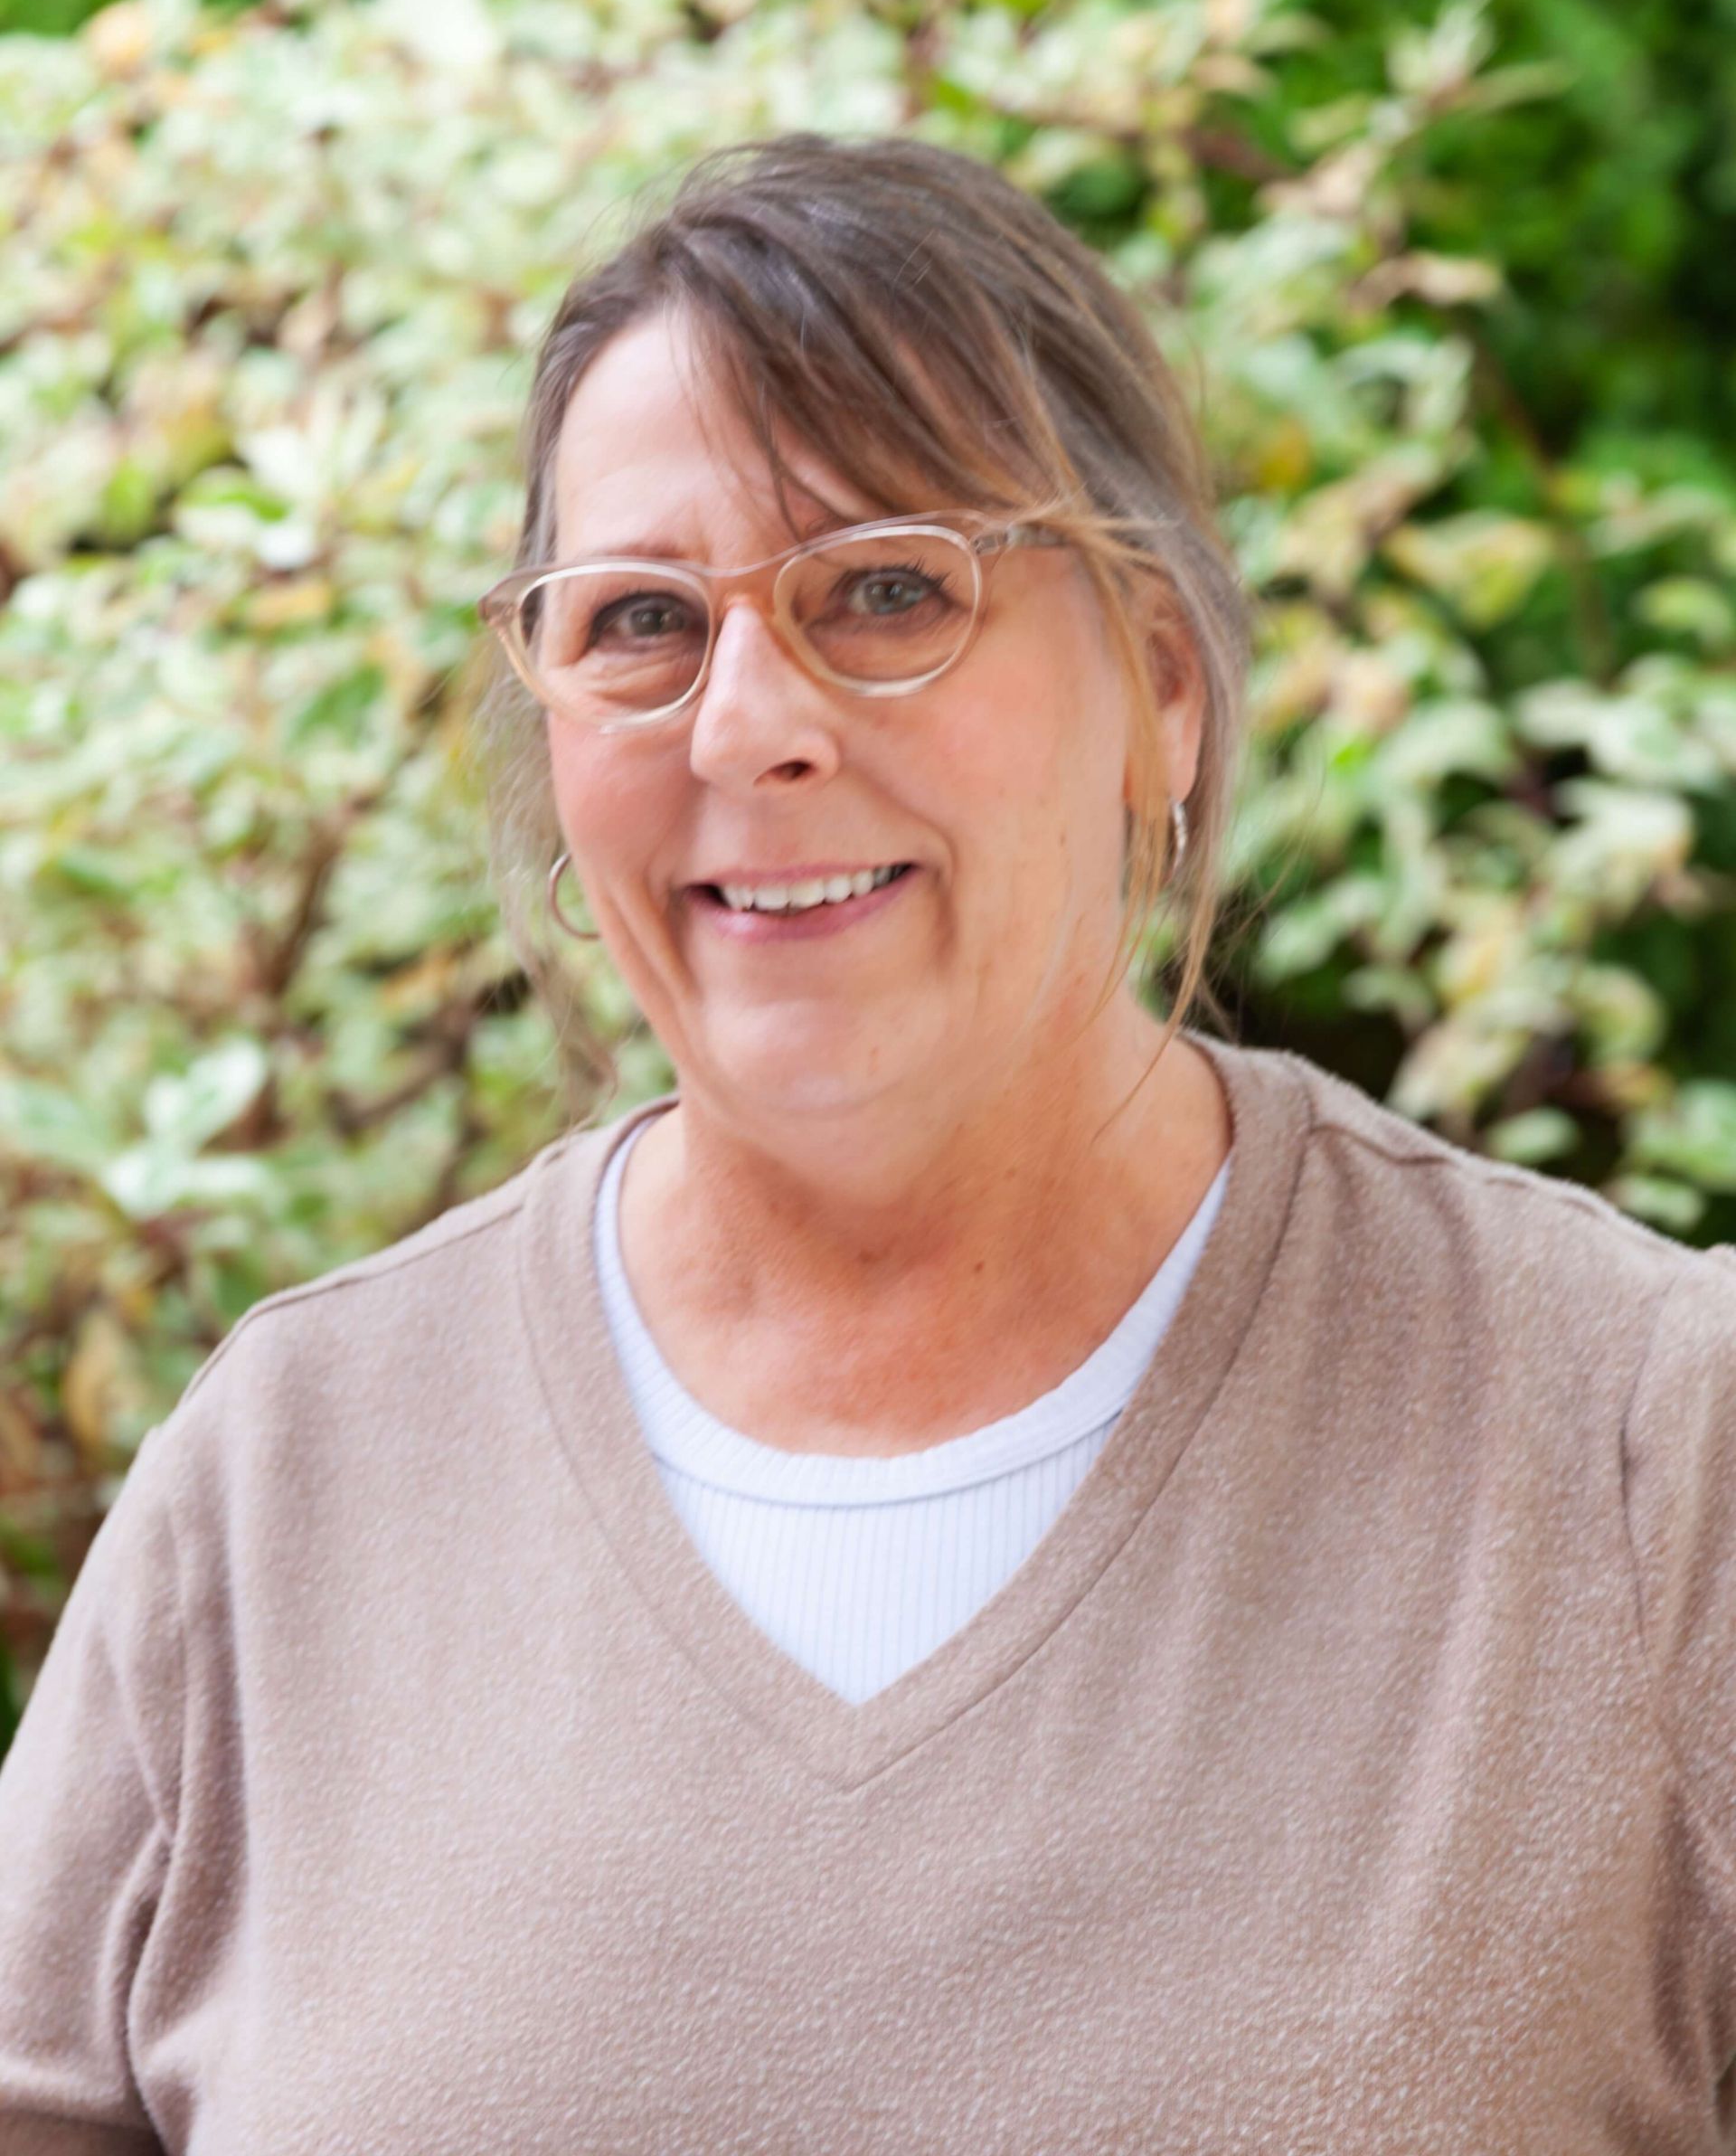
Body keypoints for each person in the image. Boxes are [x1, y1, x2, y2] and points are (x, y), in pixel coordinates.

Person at [2, 131, 1734, 2154]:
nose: (746, 723)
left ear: (1161, 686)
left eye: (892, 586)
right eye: (641, 621)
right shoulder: (288, 1475)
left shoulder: (1640, 1450)